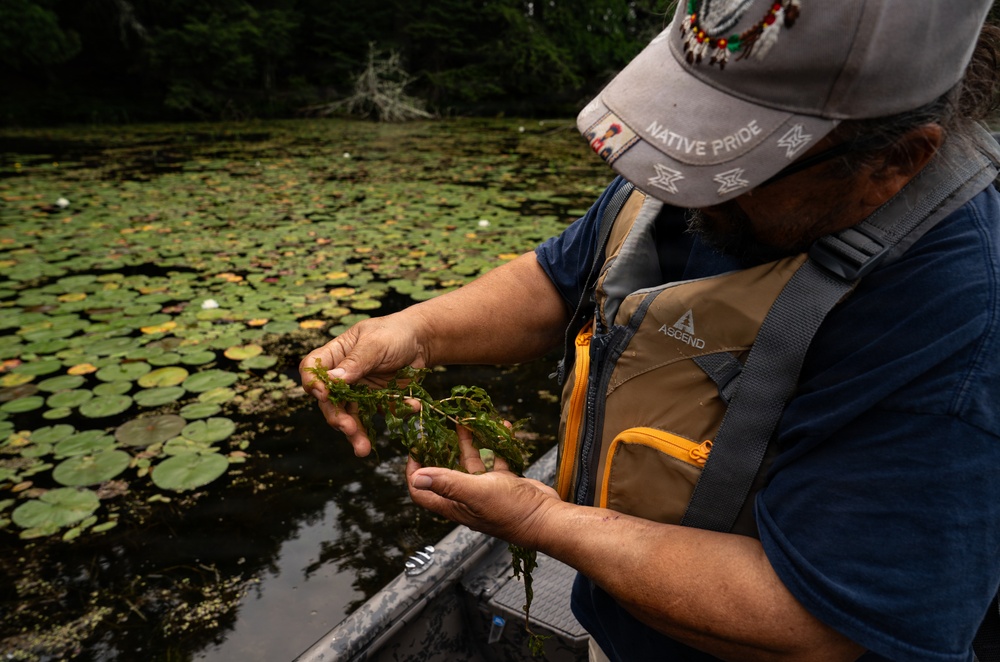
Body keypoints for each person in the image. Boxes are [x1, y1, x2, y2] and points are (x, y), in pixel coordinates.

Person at [301, 1, 1000, 660]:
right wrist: (417, 330)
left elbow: (812, 623)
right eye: (688, 125)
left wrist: (539, 523)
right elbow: (557, 279)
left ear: (893, 161)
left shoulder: (961, 312)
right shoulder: (693, 166)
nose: (683, 177)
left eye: (735, 160)